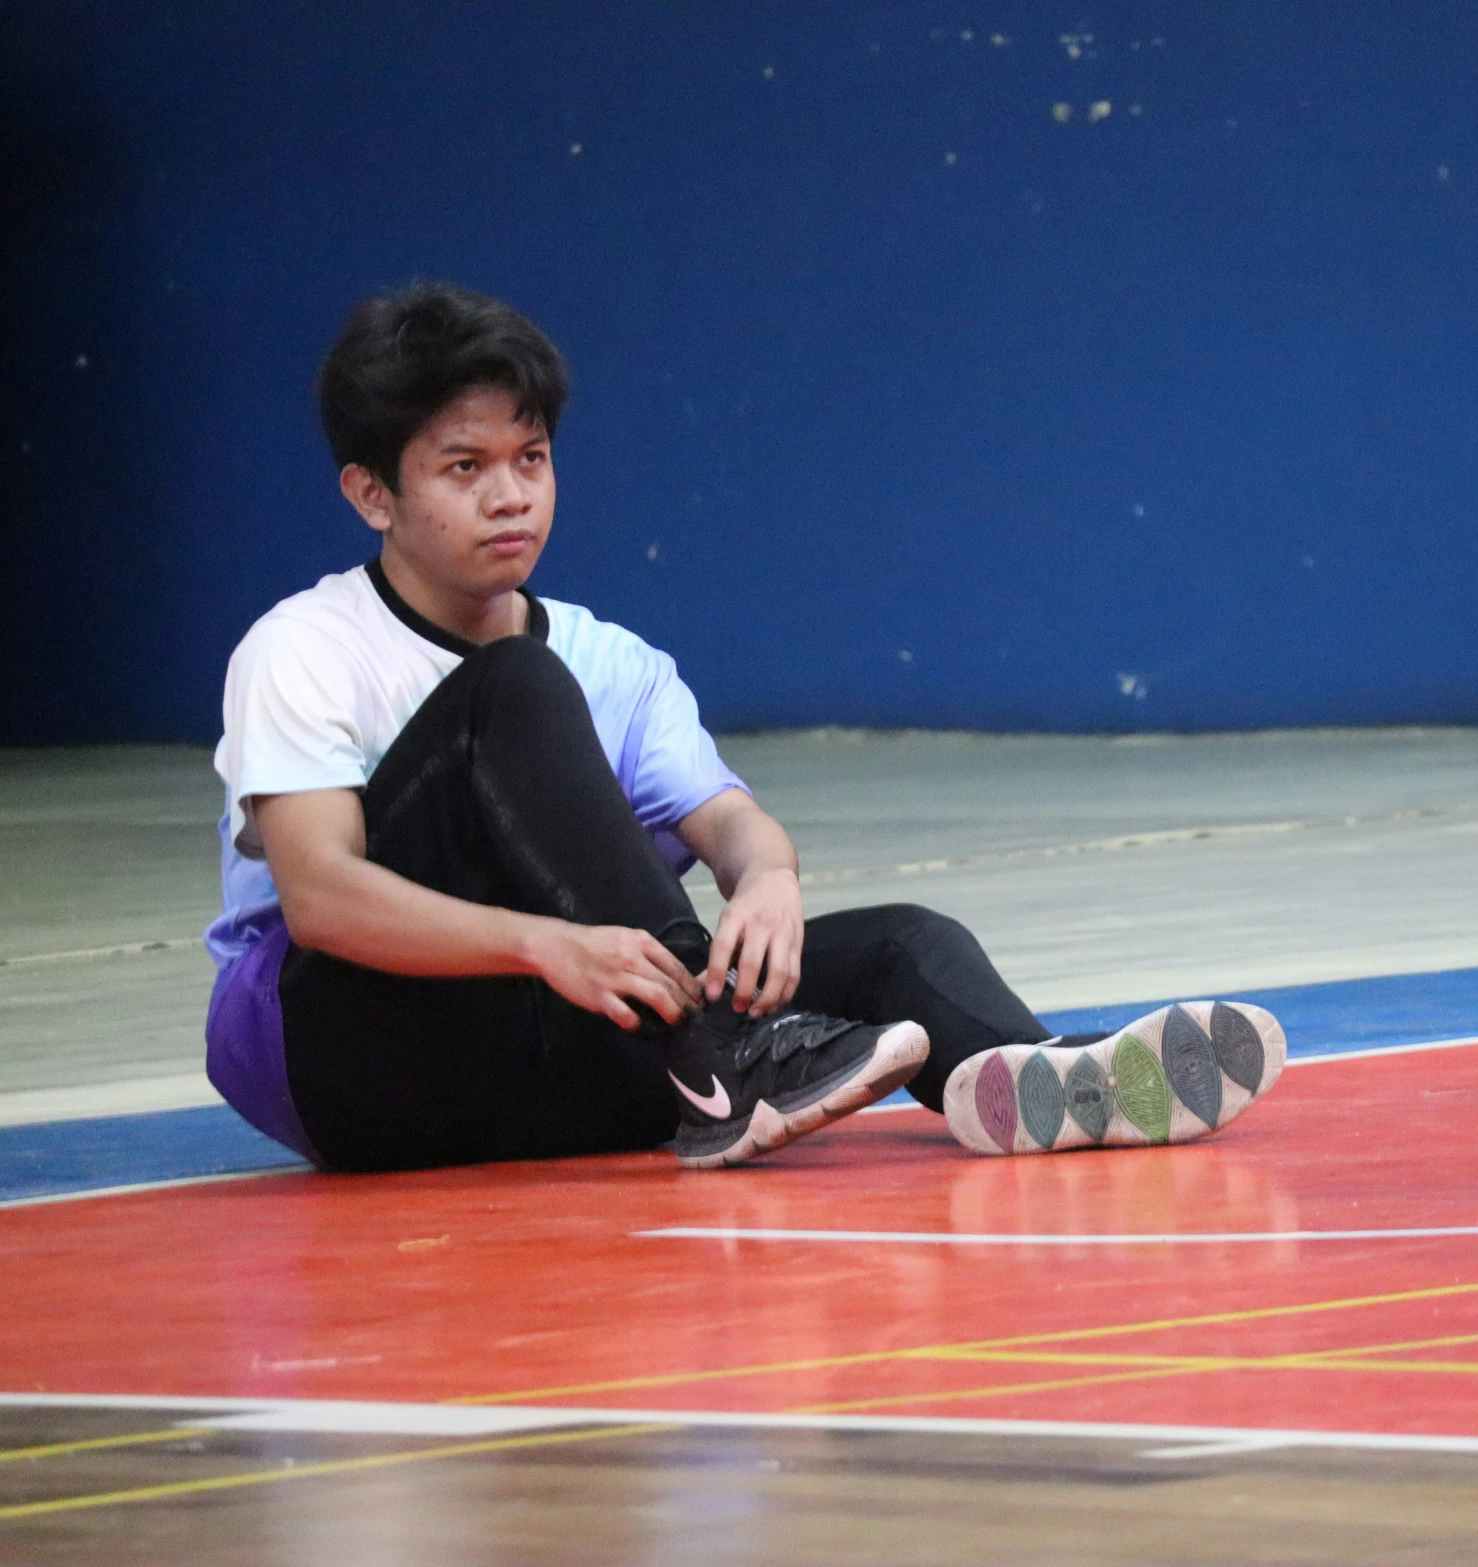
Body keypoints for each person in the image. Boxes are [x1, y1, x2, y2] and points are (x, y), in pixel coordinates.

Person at [201, 282, 1283, 1174]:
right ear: (370, 494)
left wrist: (768, 881)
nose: (510, 497)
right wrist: (546, 944)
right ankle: (723, 1058)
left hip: (557, 1054)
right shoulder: (303, 648)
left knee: (902, 941)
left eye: (530, 459)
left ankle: (1037, 1078)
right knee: (513, 689)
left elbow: (731, 823)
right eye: (464, 467)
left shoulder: (615, 659)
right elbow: (323, 899)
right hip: (356, 1064)